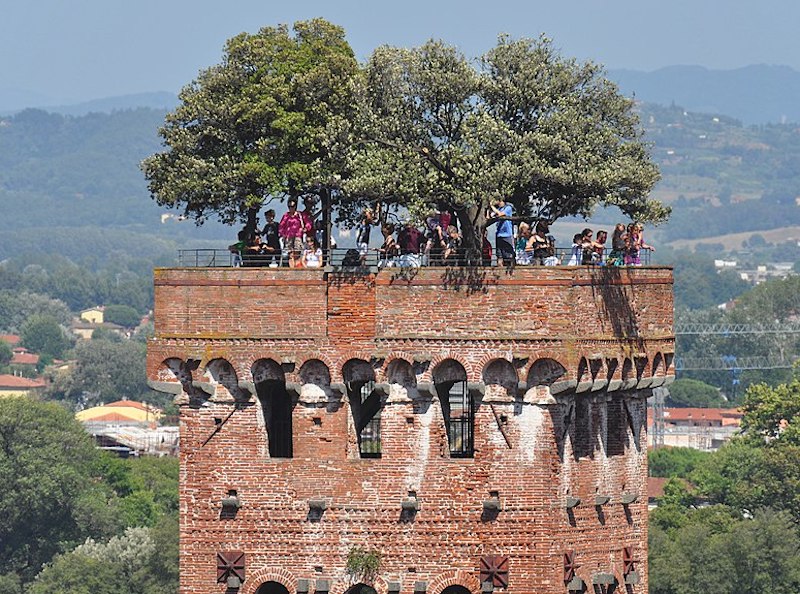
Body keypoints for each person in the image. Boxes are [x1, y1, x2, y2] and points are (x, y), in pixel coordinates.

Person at [279, 199, 310, 268]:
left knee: (297, 252)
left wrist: (305, 228)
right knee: (290, 253)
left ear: (295, 206)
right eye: (289, 206)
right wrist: (283, 234)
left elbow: (308, 223)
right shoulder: (286, 215)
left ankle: (297, 266)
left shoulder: (300, 215)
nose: (291, 208)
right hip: (288, 236)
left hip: (298, 236)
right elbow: (281, 226)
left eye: (292, 206)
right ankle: (291, 268)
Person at [489, 199, 515, 266]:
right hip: (499, 234)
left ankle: (510, 272)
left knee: (509, 255)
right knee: (499, 255)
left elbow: (500, 214)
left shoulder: (508, 208)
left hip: (507, 235)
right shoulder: (499, 209)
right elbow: (490, 216)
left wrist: (492, 206)